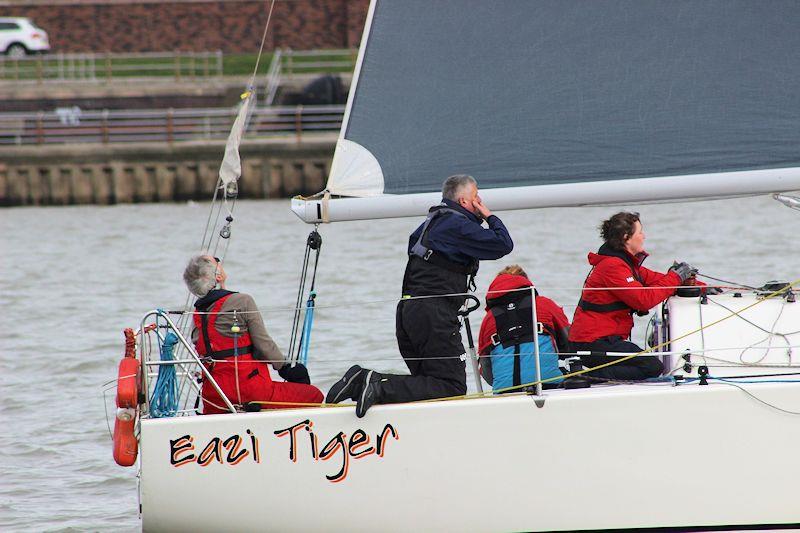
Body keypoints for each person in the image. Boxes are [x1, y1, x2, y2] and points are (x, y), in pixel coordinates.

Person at [326, 174, 514, 417]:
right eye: (477, 197)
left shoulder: (428, 225)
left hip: (409, 313)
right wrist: (489, 215)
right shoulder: (456, 225)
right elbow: (503, 243)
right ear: (464, 201)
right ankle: (370, 381)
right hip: (433, 315)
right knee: (451, 387)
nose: (481, 201)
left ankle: (367, 384)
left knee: (428, 385)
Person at [183, 255, 323, 414]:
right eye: (217, 261)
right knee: (313, 395)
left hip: (214, 398)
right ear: (218, 276)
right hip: (249, 392)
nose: (220, 262)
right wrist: (286, 368)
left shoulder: (196, 315)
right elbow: (264, 344)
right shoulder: (242, 301)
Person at [568, 212, 697, 380]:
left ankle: (594, 373)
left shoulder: (625, 265)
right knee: (651, 367)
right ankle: (586, 372)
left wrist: (697, 286)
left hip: (603, 340)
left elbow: (659, 280)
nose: (644, 236)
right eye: (640, 232)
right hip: (591, 343)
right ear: (626, 237)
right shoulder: (613, 266)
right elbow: (643, 300)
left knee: (647, 364)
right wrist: (676, 276)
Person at [478, 265, 570, 393]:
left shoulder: (489, 318)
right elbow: (570, 341)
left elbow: (486, 368)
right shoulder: (544, 304)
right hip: (550, 385)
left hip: (506, 391)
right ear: (526, 283)